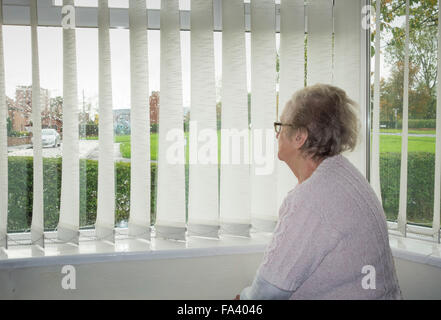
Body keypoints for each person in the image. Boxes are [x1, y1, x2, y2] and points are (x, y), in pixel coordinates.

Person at [237, 84, 402, 300]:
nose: (277, 134)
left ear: (299, 137)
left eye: (281, 126)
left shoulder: (311, 199)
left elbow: (267, 293)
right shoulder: (344, 174)